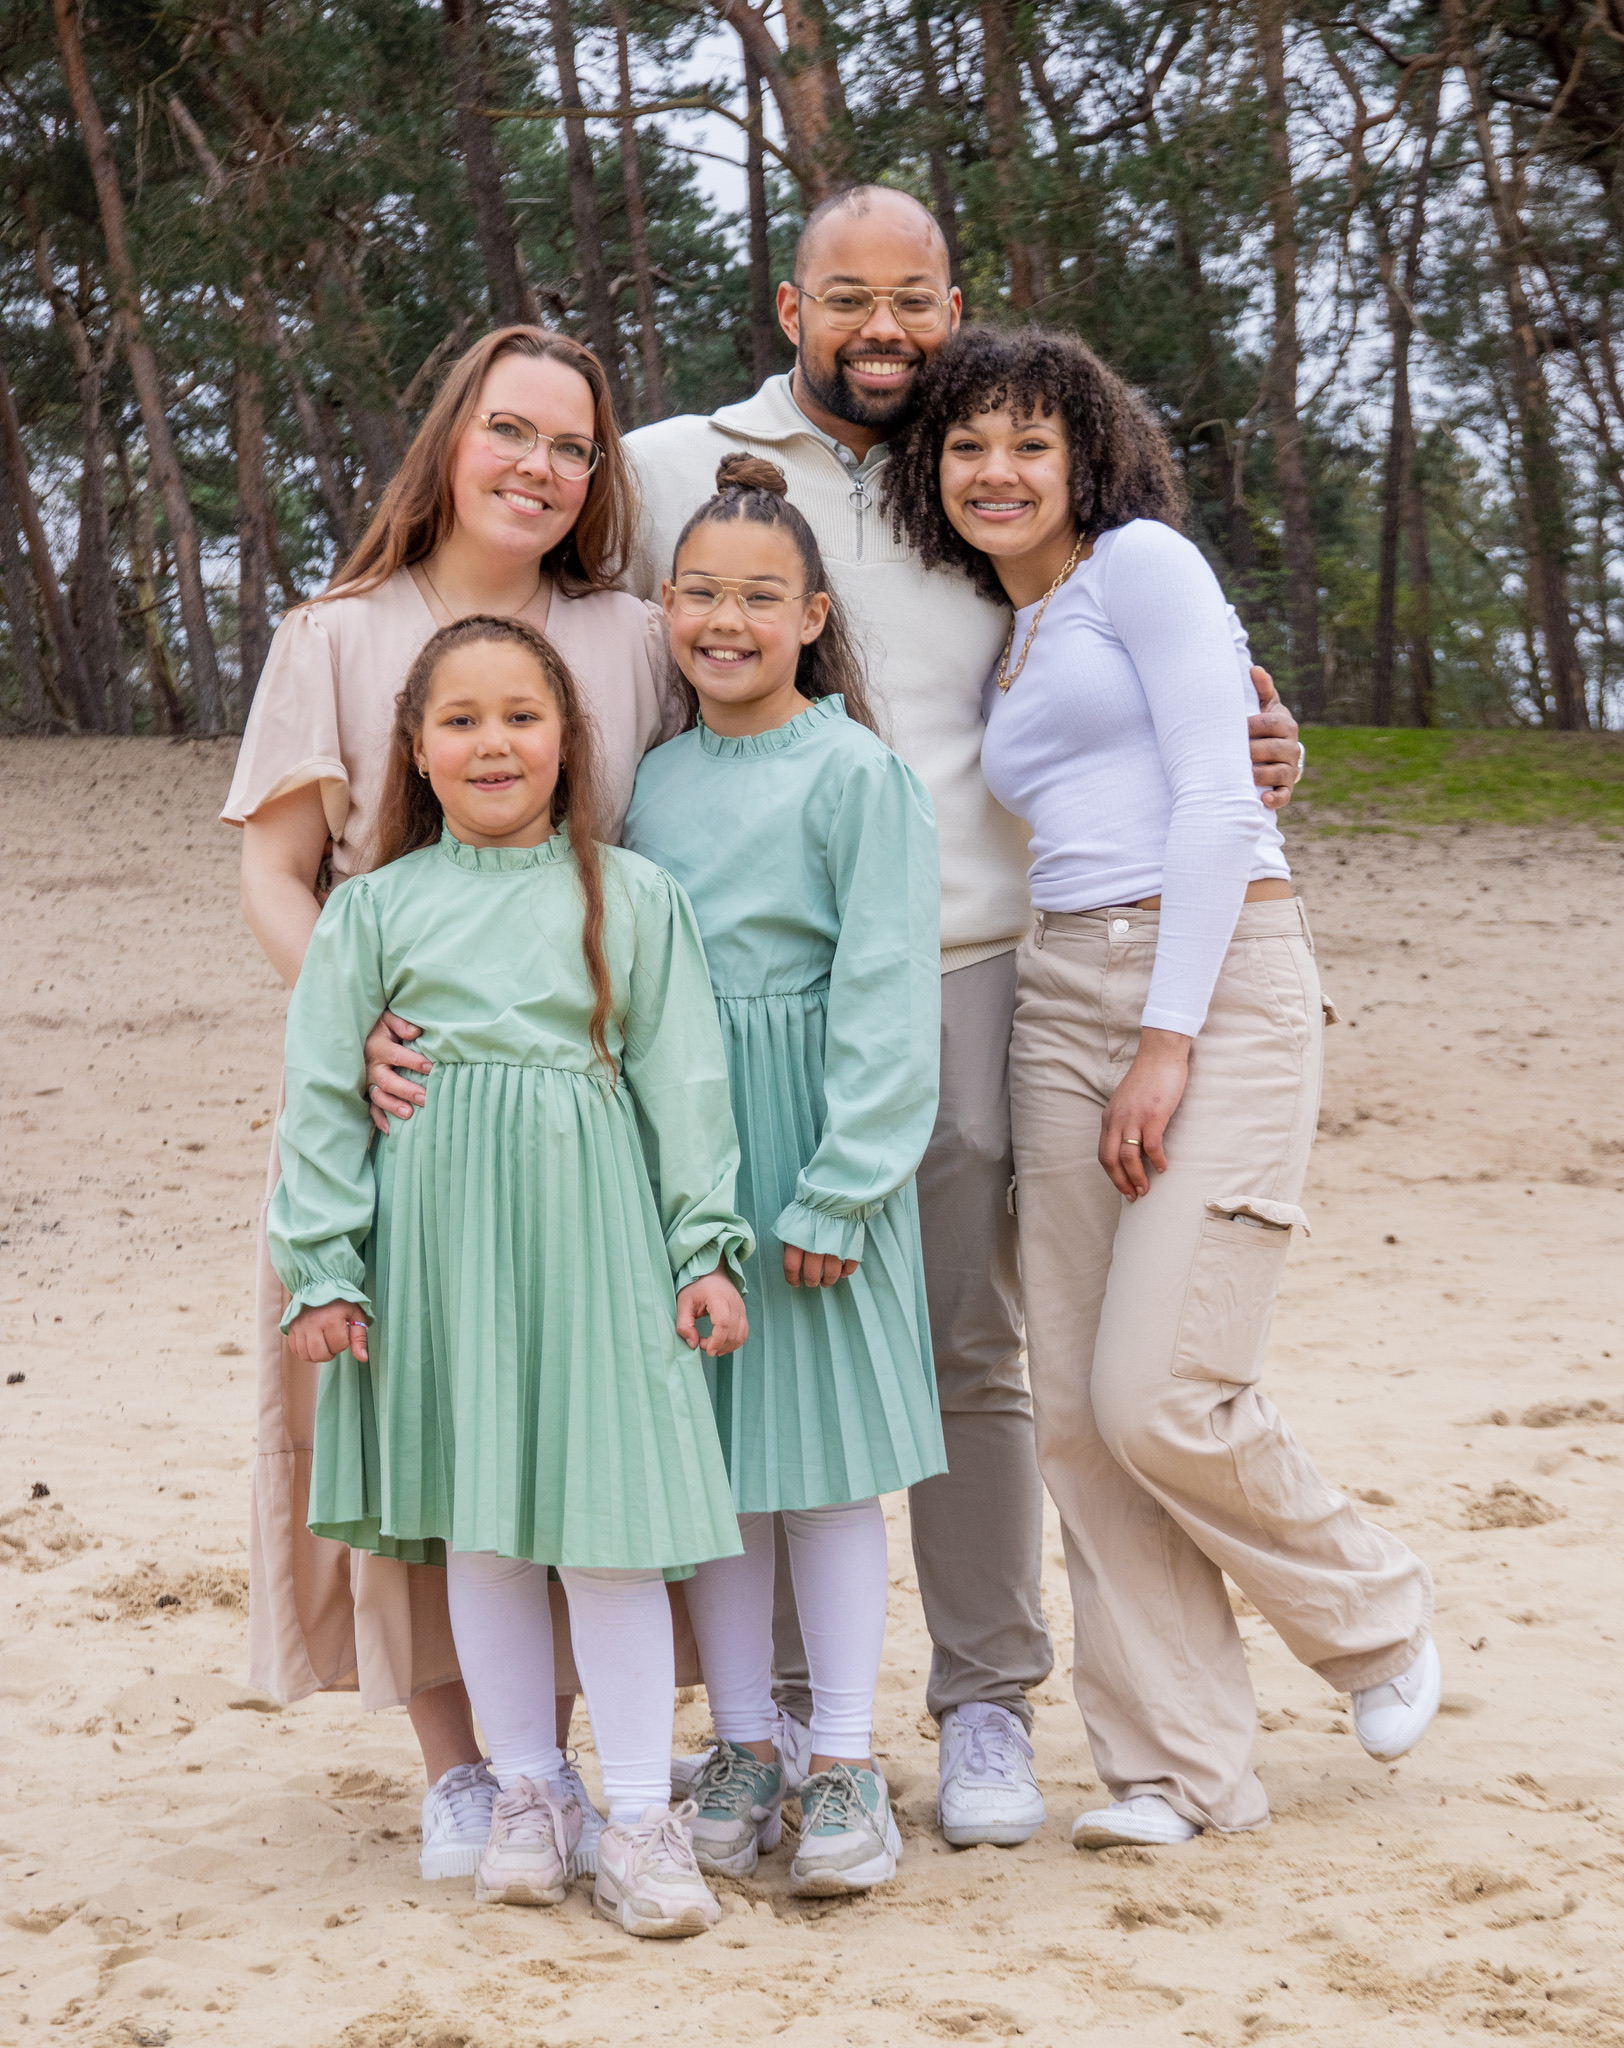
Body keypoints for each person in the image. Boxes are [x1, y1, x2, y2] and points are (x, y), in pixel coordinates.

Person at [621, 183, 1306, 1846]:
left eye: (914, 297)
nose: (885, 329)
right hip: (739, 989)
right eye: (847, 296)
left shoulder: (991, 474)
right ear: (790, 309)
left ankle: (986, 1700)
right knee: (766, 1333)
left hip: (981, 965)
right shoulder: (663, 468)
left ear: (952, 303)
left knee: (970, 1346)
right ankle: (783, 1718)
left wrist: (1266, 745)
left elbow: (1144, 687)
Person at [885, 323, 1439, 1849]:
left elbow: (1214, 791)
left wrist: (1172, 1036)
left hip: (1214, 980)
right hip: (1057, 984)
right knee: (1072, 1410)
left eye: (1029, 444)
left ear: (1088, 457)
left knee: (1159, 1390)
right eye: (966, 448)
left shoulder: (1142, 567)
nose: (996, 472)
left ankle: (1376, 1615)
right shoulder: (1020, 628)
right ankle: (1178, 1771)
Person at [224, 325, 684, 1881]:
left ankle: (588, 1769)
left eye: (573, 446)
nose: (540, 468)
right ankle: (465, 1770)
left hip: (576, 1116)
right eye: (512, 431)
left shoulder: (628, 635)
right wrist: (352, 1034)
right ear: (451, 441)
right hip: (399, 1106)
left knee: (574, 1437)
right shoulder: (340, 634)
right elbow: (276, 876)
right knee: (430, 1439)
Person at [270, 611, 750, 1936]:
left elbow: (686, 1084)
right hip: (439, 1257)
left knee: (608, 1534)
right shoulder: (371, 911)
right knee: (480, 1532)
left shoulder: (631, 896)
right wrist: (324, 1268)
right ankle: (529, 1795)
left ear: (568, 739)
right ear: (417, 753)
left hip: (593, 1244)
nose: (494, 742)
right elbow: (319, 1094)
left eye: (522, 716)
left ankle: (644, 1817)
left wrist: (704, 1249)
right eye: (462, 720)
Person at [624, 456, 943, 1896]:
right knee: (724, 1468)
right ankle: (745, 1742)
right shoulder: (653, 780)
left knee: (824, 1478)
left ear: (813, 615)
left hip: (818, 1152)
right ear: (666, 611)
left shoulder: (858, 773)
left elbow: (888, 992)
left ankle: (847, 1767)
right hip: (694, 1151)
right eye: (699, 595)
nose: (726, 621)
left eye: (759, 597)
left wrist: (844, 1185)